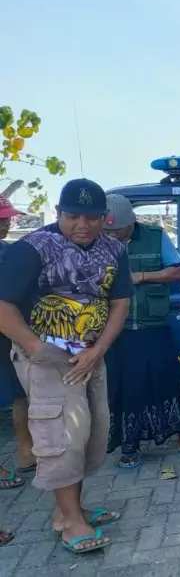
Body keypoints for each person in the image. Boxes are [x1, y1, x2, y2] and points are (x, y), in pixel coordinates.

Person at [0, 178, 133, 554]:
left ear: (103, 217)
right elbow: (3, 305)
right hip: (46, 359)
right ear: (58, 212)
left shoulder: (113, 248)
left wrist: (99, 349)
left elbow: (120, 302)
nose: (82, 225)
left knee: (89, 436)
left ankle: (70, 510)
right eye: (73, 216)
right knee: (60, 438)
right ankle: (71, 522)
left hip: (90, 356)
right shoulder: (32, 248)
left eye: (91, 217)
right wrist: (35, 348)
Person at [101, 195, 180, 469]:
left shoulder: (155, 236)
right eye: (107, 229)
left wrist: (141, 277)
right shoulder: (97, 242)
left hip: (154, 324)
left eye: (117, 230)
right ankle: (130, 446)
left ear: (132, 222)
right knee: (126, 387)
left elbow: (178, 273)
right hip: (118, 329)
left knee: (167, 380)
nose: (111, 235)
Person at [0, 196, 36, 488]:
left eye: (7, 217)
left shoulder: (10, 251)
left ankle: (26, 451)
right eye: (1, 218)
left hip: (10, 333)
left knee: (21, 393)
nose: (5, 223)